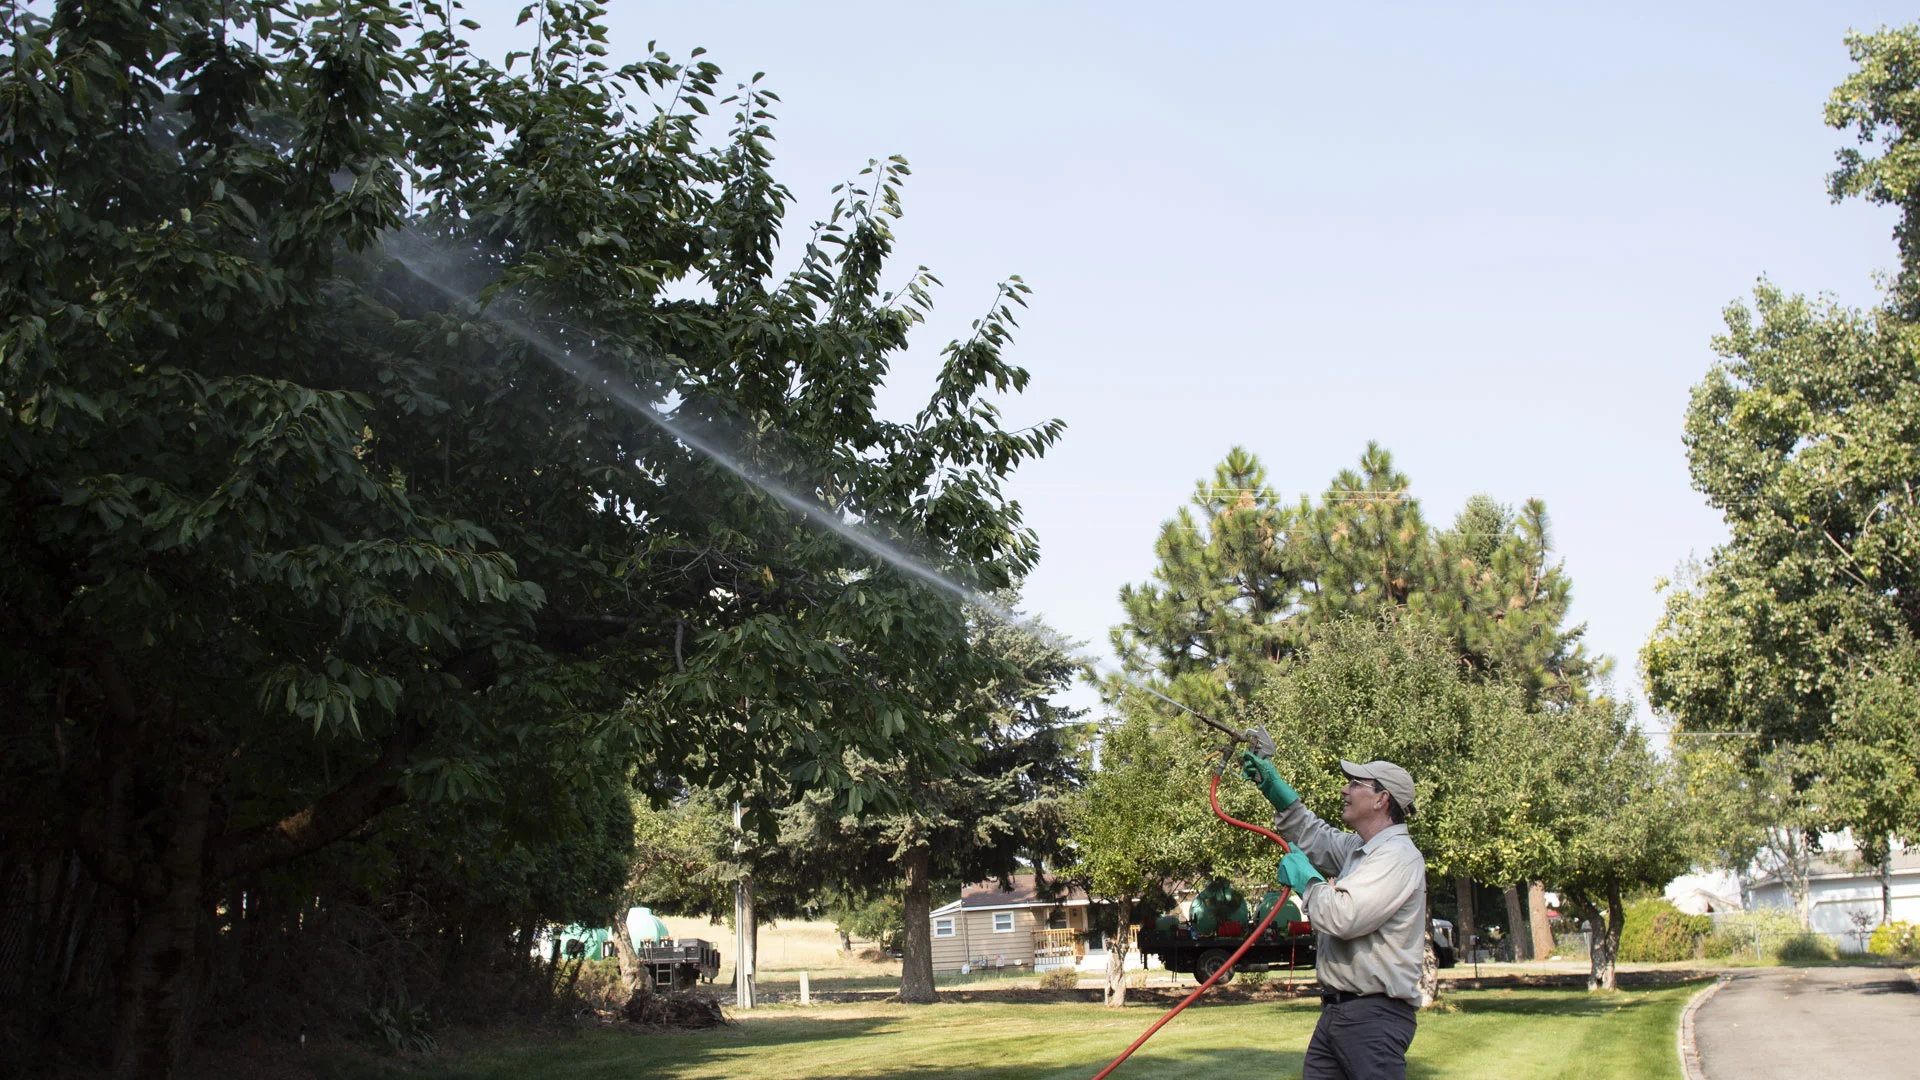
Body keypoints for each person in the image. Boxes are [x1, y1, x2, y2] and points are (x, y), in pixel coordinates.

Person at [1240, 751, 1427, 1080]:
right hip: (1339, 1013)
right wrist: (1272, 786)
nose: (1344, 790)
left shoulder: (1398, 856)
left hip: (1373, 1017)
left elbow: (1345, 917)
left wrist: (1308, 881)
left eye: (1355, 784)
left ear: (1382, 799)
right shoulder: (1361, 850)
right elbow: (1316, 837)